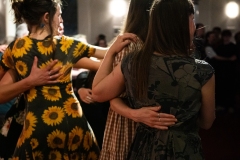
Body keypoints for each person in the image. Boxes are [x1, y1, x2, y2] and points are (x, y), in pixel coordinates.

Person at [92, 0, 215, 159]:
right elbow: (207, 122)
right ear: (183, 24)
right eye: (192, 19)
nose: (195, 24)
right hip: (184, 150)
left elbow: (98, 93)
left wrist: (110, 53)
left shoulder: (133, 62)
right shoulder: (203, 70)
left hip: (144, 148)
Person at [0, 0, 108, 159]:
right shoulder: (67, 45)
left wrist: (29, 82)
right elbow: (105, 54)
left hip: (37, 130)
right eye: (59, 15)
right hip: (73, 127)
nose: (61, 20)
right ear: (46, 17)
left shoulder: (17, 48)